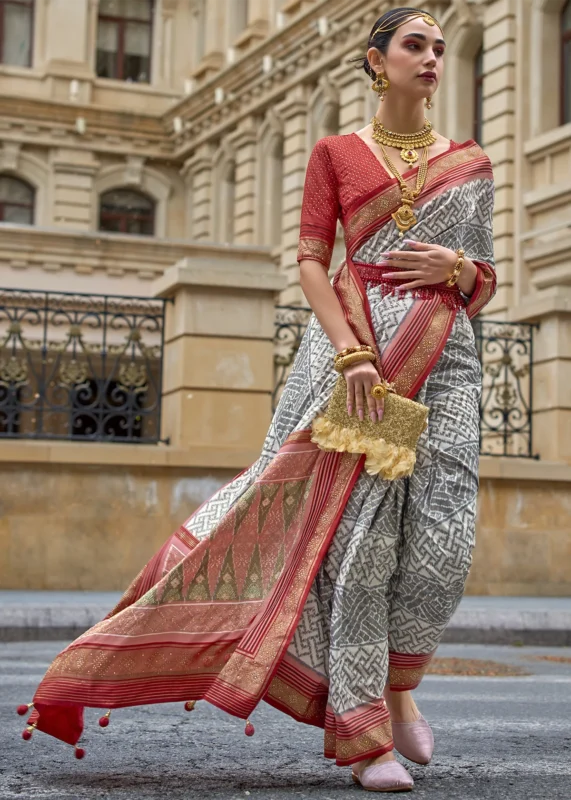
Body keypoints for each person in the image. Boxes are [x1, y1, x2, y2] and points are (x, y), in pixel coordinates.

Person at [17, 7, 495, 794]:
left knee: (444, 547)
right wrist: (349, 353)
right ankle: (364, 727)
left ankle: (402, 679)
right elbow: (310, 262)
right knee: (361, 547)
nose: (432, 58)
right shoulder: (335, 153)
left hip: (446, 361)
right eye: (415, 44)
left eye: (440, 47)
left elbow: (484, 277)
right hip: (358, 361)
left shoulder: (470, 164)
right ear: (376, 60)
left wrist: (457, 268)